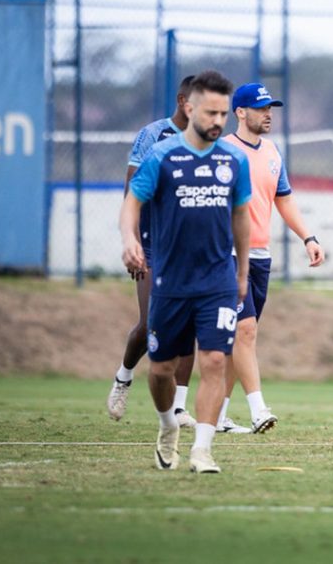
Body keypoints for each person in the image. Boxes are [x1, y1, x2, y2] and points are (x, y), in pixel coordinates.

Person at [120, 70, 251, 474]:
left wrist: (241, 272)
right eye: (211, 112)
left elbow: (241, 217)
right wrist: (129, 239)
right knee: (160, 369)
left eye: (224, 114)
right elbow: (132, 203)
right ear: (190, 108)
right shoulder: (161, 157)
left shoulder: (234, 160)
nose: (218, 121)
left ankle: (203, 449)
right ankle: (166, 426)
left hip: (217, 280)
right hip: (170, 279)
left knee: (214, 360)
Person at [215, 83, 325, 434]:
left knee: (239, 337)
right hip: (226, 254)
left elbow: (284, 199)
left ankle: (217, 415)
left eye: (271, 108)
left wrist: (307, 237)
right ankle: (258, 409)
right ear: (240, 112)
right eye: (261, 108)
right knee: (245, 330)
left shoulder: (273, 151)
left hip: (260, 257)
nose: (268, 114)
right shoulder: (222, 150)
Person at [108, 75, 198, 428]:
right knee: (150, 325)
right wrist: (132, 240)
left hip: (189, 248)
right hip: (152, 242)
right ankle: (123, 377)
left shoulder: (207, 140)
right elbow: (133, 189)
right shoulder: (153, 135)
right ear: (181, 100)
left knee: (188, 327)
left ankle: (178, 406)